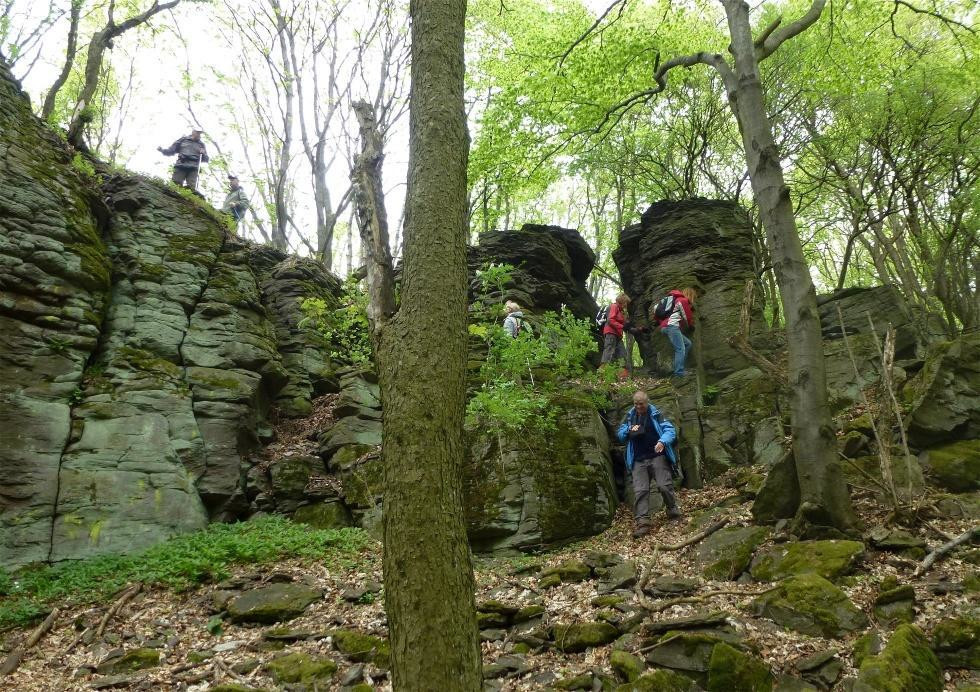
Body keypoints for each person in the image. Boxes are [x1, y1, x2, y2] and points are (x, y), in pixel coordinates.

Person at [617, 390, 681, 537]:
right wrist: (628, 430)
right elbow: (620, 435)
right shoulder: (629, 416)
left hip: (657, 456)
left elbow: (670, 430)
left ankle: (673, 511)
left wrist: (662, 441)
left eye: (641, 404)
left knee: (664, 486)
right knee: (640, 491)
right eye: (636, 404)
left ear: (647, 402)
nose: (638, 406)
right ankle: (643, 523)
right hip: (638, 460)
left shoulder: (656, 414)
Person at [657, 288, 696, 378]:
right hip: (671, 326)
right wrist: (690, 325)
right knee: (680, 349)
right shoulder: (682, 300)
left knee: (688, 344)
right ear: (690, 295)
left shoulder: (674, 301)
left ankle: (681, 368)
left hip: (666, 326)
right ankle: (679, 372)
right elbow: (687, 315)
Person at [600, 293, 630, 368]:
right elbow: (610, 320)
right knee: (609, 351)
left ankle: (623, 372)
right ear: (622, 301)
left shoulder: (621, 311)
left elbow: (624, 323)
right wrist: (622, 326)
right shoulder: (614, 306)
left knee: (622, 353)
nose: (626, 305)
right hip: (611, 333)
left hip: (618, 335)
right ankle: (602, 371)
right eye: (626, 302)